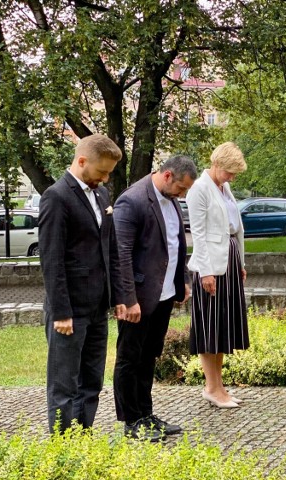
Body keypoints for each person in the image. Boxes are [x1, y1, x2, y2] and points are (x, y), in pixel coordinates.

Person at [39, 133, 127, 433]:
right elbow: (52, 260)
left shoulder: (101, 196)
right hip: (69, 311)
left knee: (92, 381)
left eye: (108, 174)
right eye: (101, 172)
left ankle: (82, 437)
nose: (104, 179)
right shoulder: (56, 196)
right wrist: (61, 312)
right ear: (81, 161)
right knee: (64, 385)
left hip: (97, 306)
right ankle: (63, 447)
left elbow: (109, 250)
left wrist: (118, 297)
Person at [113, 155, 197, 441]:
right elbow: (121, 254)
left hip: (164, 294)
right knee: (129, 358)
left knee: (149, 356)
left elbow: (175, 245)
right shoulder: (133, 200)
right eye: (181, 188)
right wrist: (127, 298)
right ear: (167, 175)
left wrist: (183, 280)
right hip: (138, 297)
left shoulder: (171, 201)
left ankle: (146, 415)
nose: (183, 195)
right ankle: (131, 420)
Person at [186, 142, 248, 409]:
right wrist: (205, 271)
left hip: (229, 261)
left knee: (222, 327)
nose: (233, 177)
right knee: (210, 327)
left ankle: (218, 386)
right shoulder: (199, 189)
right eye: (230, 172)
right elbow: (197, 234)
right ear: (217, 164)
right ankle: (211, 388)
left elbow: (235, 228)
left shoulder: (225, 188)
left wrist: (241, 263)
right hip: (210, 266)